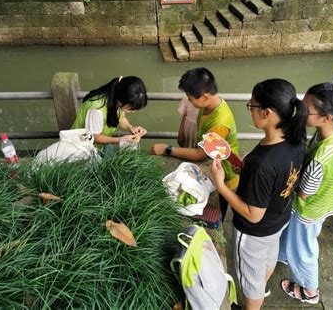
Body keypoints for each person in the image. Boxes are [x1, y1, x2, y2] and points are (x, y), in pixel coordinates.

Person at [210, 79, 307, 310]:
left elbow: (253, 215)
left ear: (267, 113)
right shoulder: (296, 141)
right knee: (267, 260)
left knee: (250, 284)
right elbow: (278, 179)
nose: (250, 110)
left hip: (254, 232)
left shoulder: (263, 163)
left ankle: (252, 304)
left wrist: (221, 185)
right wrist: (246, 169)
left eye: (251, 106)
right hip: (278, 220)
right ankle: (261, 288)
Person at [279, 82, 333, 305]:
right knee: (297, 240)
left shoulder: (319, 160)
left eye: (306, 109)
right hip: (328, 199)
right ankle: (285, 256)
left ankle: (310, 291)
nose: (301, 111)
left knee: (304, 250)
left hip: (310, 209)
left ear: (326, 117)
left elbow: (304, 194)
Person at [150, 67, 240, 218]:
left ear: (205, 97)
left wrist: (167, 149)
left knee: (220, 205)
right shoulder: (210, 105)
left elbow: (200, 154)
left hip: (226, 171)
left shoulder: (218, 123)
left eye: (190, 97)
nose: (189, 101)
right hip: (215, 163)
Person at [72, 76, 148, 150]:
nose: (133, 111)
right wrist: (120, 140)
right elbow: (95, 137)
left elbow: (121, 118)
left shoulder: (117, 98)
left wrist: (131, 128)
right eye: (131, 108)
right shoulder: (97, 109)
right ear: (122, 100)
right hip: (81, 147)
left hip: (97, 147)